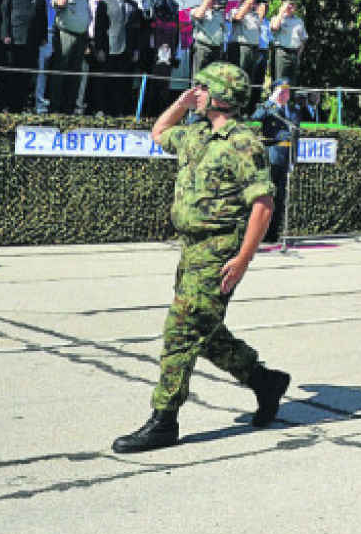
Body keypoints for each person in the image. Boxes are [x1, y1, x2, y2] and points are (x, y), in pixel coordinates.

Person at [110, 62, 291, 454]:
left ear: (220, 96)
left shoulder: (243, 143)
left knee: (180, 331)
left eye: (201, 89)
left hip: (221, 248)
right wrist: (180, 103)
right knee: (204, 333)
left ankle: (164, 420)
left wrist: (243, 259)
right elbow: (158, 132)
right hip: (191, 250)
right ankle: (265, 381)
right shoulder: (196, 134)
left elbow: (263, 204)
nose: (197, 94)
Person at [0, 0, 48, 112]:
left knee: (25, 76)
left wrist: (43, 36)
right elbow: (4, 13)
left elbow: (42, 15)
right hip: (13, 39)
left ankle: (18, 107)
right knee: (8, 76)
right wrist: (5, 34)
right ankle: (3, 108)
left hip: (32, 41)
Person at [90, 0, 141, 116]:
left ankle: (119, 111)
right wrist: (99, 48)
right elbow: (99, 29)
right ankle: (101, 109)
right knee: (105, 81)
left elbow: (137, 29)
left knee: (122, 82)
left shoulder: (133, 5)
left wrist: (136, 49)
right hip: (110, 48)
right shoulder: (105, 3)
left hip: (127, 49)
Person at [138, 0, 183, 113]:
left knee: (164, 80)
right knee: (150, 81)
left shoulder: (174, 4)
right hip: (152, 47)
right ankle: (147, 111)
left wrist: (177, 53)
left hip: (167, 48)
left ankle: (160, 111)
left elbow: (176, 29)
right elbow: (148, 14)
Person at [48, 0, 91, 114]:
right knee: (60, 72)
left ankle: (69, 108)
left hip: (81, 37)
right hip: (65, 35)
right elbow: (60, 4)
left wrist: (86, 41)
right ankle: (55, 108)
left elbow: (86, 18)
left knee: (74, 75)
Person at [189, 0, 228, 75]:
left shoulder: (219, 12)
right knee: (199, 77)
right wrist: (207, 0)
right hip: (203, 48)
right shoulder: (197, 9)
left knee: (214, 78)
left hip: (217, 49)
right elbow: (198, 16)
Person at [268, 0, 306, 87]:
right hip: (282, 51)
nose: (290, 7)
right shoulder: (278, 18)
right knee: (279, 80)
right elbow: (274, 27)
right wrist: (281, 12)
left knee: (292, 82)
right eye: (288, 5)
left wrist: (298, 53)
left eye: (292, 5)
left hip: (294, 53)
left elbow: (303, 38)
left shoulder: (299, 21)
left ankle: (290, 100)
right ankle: (277, 100)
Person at [228, 0, 263, 81]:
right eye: (253, 0)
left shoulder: (255, 15)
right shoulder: (236, 10)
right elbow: (237, 18)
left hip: (253, 47)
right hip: (241, 46)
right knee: (239, 74)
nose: (254, 3)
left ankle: (247, 93)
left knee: (250, 75)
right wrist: (247, 4)